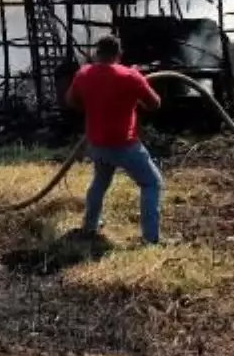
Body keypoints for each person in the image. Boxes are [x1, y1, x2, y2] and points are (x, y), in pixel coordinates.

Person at [65, 35, 164, 245]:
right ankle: (151, 239)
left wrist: (94, 107)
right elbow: (155, 104)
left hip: (97, 145)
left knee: (100, 182)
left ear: (96, 52)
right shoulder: (131, 77)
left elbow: (70, 101)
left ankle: (90, 226)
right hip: (124, 145)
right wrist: (138, 81)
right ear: (119, 54)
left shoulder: (83, 74)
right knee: (151, 183)